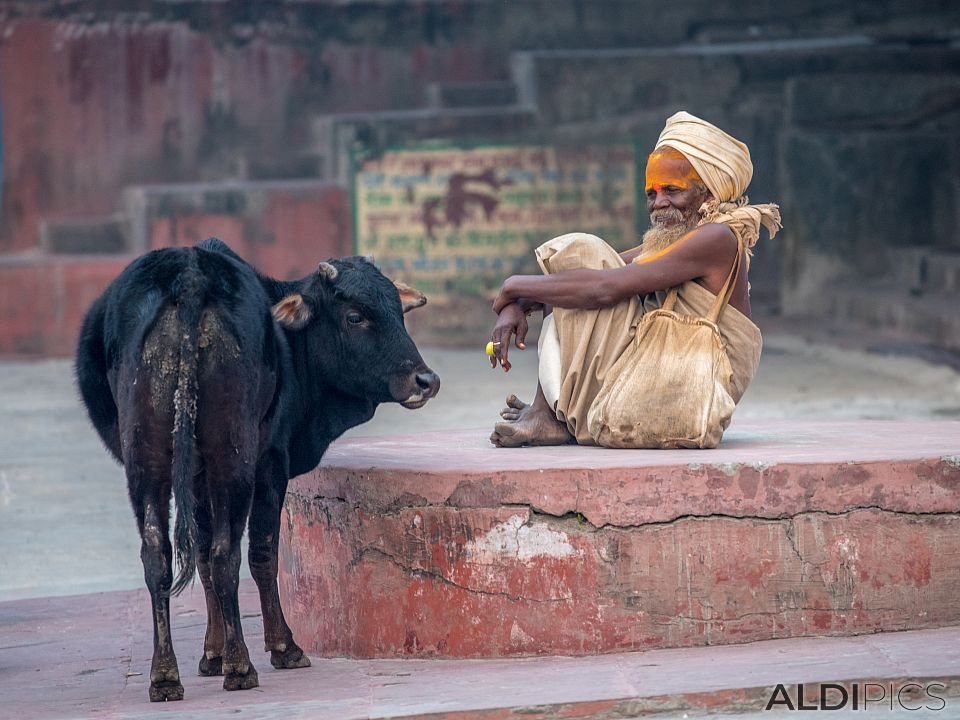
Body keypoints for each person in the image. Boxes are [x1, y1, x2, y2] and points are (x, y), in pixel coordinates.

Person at [488, 111, 781, 447]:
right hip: (646, 381)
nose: (659, 204)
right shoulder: (676, 240)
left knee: (582, 249)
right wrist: (514, 306)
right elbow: (588, 279)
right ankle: (551, 412)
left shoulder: (717, 237)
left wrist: (511, 286)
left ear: (709, 196)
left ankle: (548, 416)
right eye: (652, 194)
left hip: (681, 387)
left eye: (672, 190)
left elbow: (602, 288)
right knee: (582, 270)